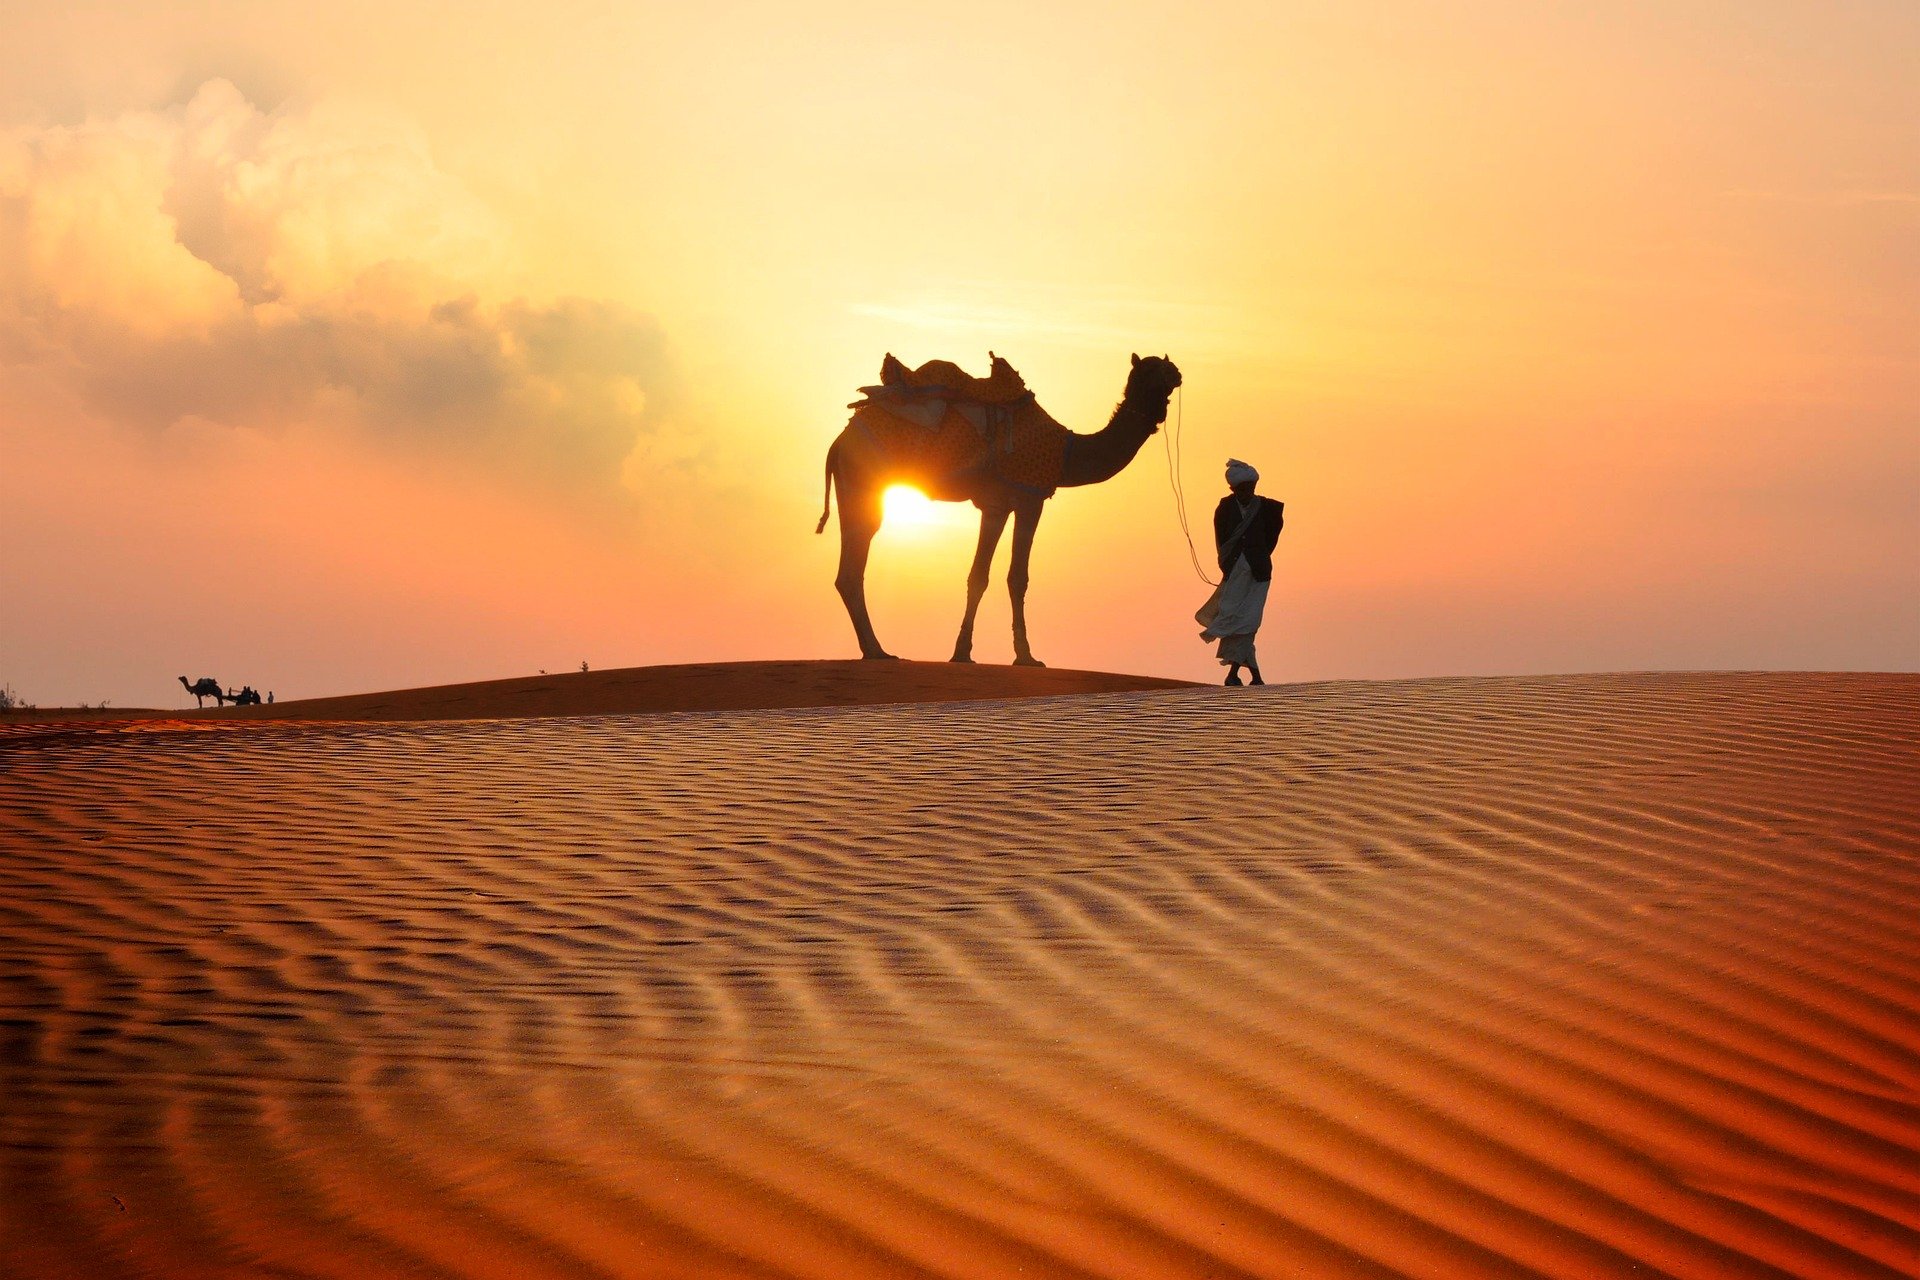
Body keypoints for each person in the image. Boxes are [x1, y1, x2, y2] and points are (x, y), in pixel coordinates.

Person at [1196, 458, 1283, 686]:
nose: (1247, 491)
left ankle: (1239, 674)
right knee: (1236, 620)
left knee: (1248, 622)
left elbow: (1271, 539)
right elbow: (1221, 539)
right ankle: (1249, 676)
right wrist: (1231, 562)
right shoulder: (1225, 508)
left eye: (1250, 487)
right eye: (1242, 488)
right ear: (1233, 489)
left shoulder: (1267, 508)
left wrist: (1257, 555)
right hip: (1235, 571)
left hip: (1258, 573)